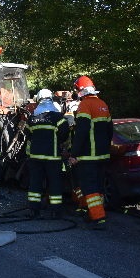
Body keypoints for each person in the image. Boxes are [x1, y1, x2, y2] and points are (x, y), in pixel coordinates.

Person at [67, 75, 113, 229]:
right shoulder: (103, 104)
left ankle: (98, 218)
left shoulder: (84, 106)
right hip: (103, 155)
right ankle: (93, 212)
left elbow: (81, 132)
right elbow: (110, 131)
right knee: (99, 186)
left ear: (80, 91)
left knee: (90, 187)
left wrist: (74, 154)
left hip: (88, 156)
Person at [26, 88, 71, 218]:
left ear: (38, 100)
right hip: (53, 157)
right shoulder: (57, 117)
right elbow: (64, 133)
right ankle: (55, 211)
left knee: (35, 182)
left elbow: (28, 134)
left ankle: (34, 210)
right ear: (51, 99)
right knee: (55, 183)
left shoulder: (33, 117)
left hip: (35, 157)